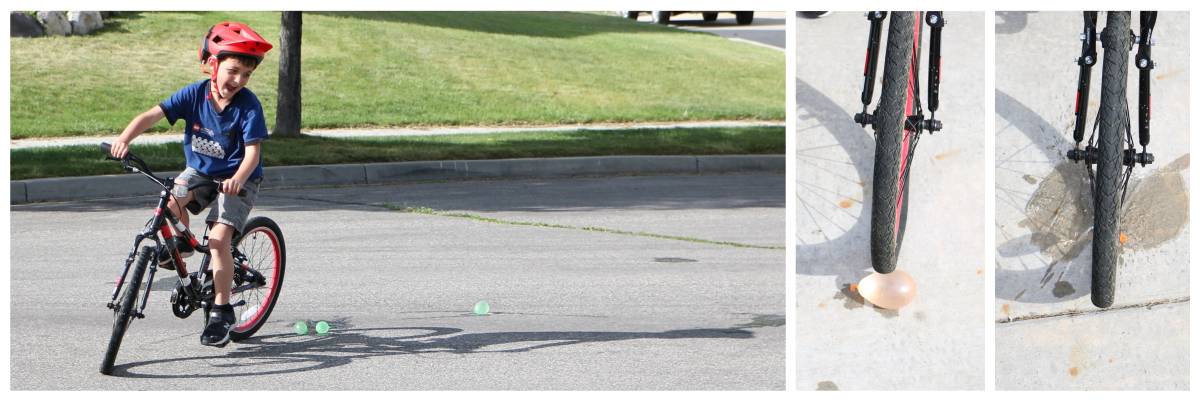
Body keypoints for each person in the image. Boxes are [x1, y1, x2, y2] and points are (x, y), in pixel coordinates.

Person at [109, 21, 273, 347]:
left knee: (218, 240)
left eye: (246, 74)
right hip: (198, 172)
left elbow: (253, 153)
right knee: (169, 205)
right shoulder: (195, 94)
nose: (239, 80)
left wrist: (237, 180)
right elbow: (152, 115)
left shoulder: (248, 106)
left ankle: (221, 311)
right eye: (233, 70)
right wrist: (125, 139)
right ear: (211, 64)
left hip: (237, 179)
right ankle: (181, 246)